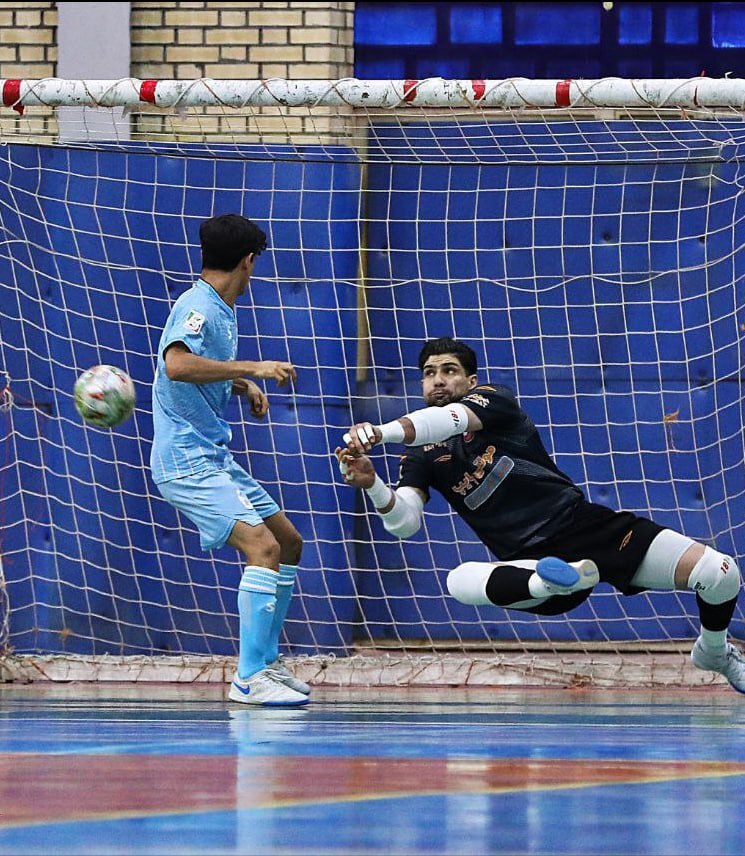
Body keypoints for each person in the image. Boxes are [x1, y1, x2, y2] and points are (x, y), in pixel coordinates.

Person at [336, 336, 745, 692]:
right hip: (529, 566)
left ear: (471, 381)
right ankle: (556, 579)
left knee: (720, 573)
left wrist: (381, 432)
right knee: (457, 581)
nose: (438, 380)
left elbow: (447, 420)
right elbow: (405, 523)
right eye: (429, 373)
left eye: (449, 370)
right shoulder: (421, 457)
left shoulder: (494, 400)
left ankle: (713, 650)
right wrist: (373, 484)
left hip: (588, 528)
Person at [151, 214, 310, 706]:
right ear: (249, 261)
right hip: (186, 462)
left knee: (288, 542)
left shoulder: (220, 306)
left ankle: (266, 661)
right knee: (261, 547)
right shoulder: (197, 306)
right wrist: (253, 367)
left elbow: (198, 369)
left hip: (213, 455)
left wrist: (241, 386)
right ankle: (248, 677)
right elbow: (176, 364)